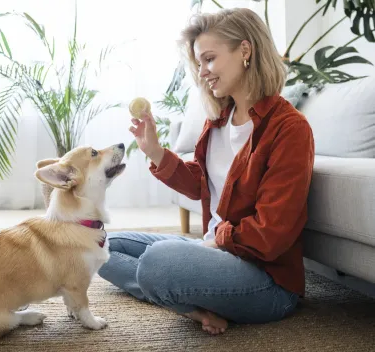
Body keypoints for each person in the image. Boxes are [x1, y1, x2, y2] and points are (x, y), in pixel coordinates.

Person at [98, 7, 315, 335]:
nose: (202, 72)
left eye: (209, 59)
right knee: (100, 246)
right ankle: (195, 308)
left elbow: (271, 233)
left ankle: (178, 287)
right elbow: (203, 184)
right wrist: (154, 151)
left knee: (160, 262)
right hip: (216, 252)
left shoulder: (289, 129)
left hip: (266, 280)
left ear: (245, 50)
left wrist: (213, 243)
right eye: (199, 63)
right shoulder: (219, 119)